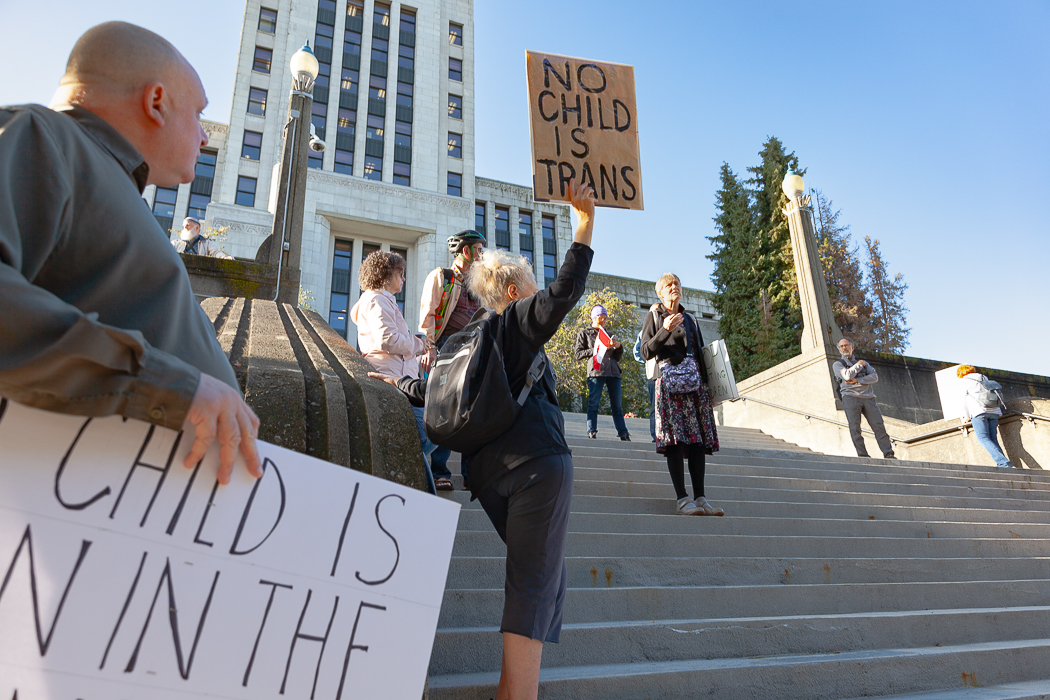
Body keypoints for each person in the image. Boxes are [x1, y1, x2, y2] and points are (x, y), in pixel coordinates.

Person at [0, 21, 260, 486]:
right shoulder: (39, 135)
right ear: (156, 101)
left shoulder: (107, 183)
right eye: (198, 114)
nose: (204, 137)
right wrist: (169, 385)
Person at [370, 180, 597, 700]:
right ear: (513, 292)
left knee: (543, 575)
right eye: (528, 285)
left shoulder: (459, 340)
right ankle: (516, 693)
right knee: (534, 580)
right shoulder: (514, 324)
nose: (536, 292)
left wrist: (392, 383)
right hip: (537, 466)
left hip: (486, 475)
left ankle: (516, 683)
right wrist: (583, 224)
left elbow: (431, 390)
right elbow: (564, 292)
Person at [350, 250, 437, 491]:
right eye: (400, 273)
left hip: (398, 379)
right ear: (386, 274)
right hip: (392, 379)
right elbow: (387, 339)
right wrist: (420, 344)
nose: (404, 279)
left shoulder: (382, 300)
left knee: (419, 439)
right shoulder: (377, 299)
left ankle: (421, 495)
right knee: (429, 433)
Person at [640, 274, 723, 516]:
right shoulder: (654, 316)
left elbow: (700, 354)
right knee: (675, 441)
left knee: (697, 441)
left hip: (695, 388)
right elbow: (646, 351)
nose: (674, 287)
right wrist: (664, 330)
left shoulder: (691, 319)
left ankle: (701, 498)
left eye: (676, 284)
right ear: (660, 293)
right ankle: (682, 499)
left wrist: (712, 389)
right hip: (669, 388)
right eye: (668, 286)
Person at [418, 229, 486, 490]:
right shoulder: (441, 277)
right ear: (466, 251)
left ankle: (471, 474)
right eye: (478, 250)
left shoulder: (480, 284)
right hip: (446, 348)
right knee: (444, 408)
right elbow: (429, 314)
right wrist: (428, 347)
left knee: (474, 411)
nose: (481, 255)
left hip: (474, 348)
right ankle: (439, 472)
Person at [833, 337, 896, 459]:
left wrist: (858, 380)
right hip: (850, 398)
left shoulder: (864, 363)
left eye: (846, 345)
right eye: (841, 346)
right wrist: (858, 365)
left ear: (852, 347)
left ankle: (889, 453)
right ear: (839, 350)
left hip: (868, 397)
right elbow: (846, 376)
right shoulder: (838, 365)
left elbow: (874, 377)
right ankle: (863, 455)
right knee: (855, 427)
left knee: (879, 426)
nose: (844, 348)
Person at [574, 305, 630, 440]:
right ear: (594, 317)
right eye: (600, 318)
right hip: (596, 372)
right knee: (594, 404)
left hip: (613, 373)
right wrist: (596, 348)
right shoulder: (585, 333)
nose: (603, 321)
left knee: (617, 406)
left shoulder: (609, 334)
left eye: (605, 318)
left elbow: (617, 357)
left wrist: (618, 347)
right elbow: (578, 354)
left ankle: (623, 433)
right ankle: (591, 431)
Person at [957, 364, 1014, 468]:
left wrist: (965, 416)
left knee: (983, 438)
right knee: (992, 438)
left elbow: (963, 401)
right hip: (994, 411)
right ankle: (1002, 462)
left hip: (979, 412)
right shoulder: (983, 377)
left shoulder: (964, 381)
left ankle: (1003, 463)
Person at [633, 329, 657, 442]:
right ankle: (655, 436)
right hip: (654, 374)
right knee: (655, 406)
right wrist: (650, 360)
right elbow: (637, 352)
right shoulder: (646, 330)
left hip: (667, 373)